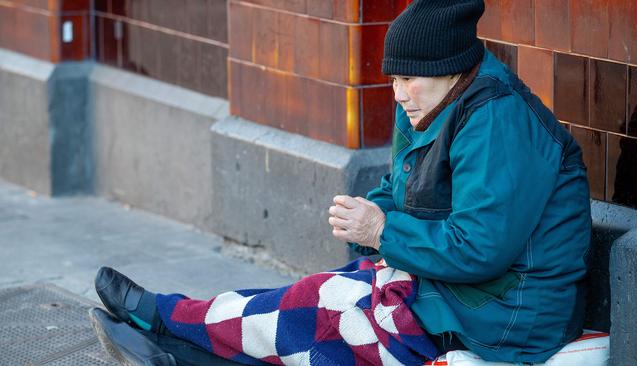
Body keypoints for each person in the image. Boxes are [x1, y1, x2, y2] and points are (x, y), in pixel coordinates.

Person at [90, 0, 591, 365]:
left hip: (510, 313)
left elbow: (481, 247)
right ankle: (177, 332)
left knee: (333, 310)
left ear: (450, 70)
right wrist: (367, 217)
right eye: (393, 80)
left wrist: (381, 233)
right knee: (323, 296)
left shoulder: (497, 121)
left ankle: (170, 326)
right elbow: (399, 190)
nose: (398, 95)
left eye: (408, 80)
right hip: (466, 289)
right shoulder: (430, 102)